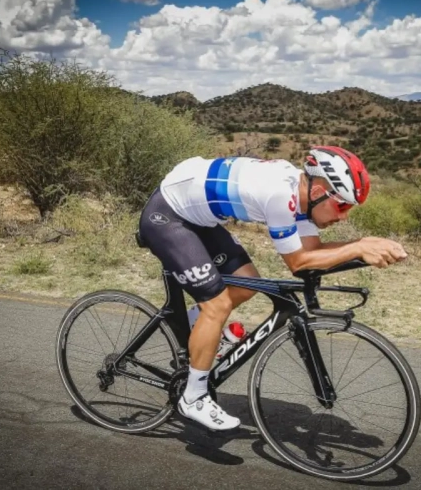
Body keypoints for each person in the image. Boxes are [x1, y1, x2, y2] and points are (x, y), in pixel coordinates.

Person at [138, 146, 407, 431]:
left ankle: (196, 331)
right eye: (343, 206)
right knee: (217, 305)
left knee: (247, 283)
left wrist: (367, 247)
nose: (344, 217)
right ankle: (193, 398)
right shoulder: (280, 195)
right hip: (168, 216)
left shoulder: (304, 198)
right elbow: (300, 262)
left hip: (199, 218)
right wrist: (360, 246)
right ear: (318, 193)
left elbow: (314, 250)